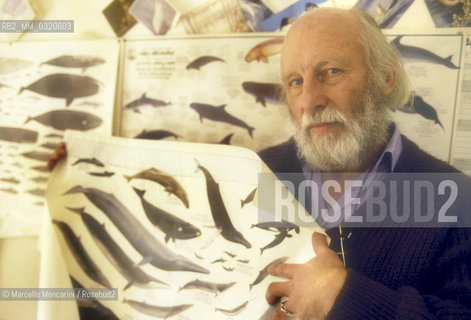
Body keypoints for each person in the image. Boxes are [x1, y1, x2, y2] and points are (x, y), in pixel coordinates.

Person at [258, 7, 471, 320]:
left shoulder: (456, 199)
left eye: (330, 72)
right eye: (295, 81)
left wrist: (343, 298)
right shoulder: (258, 171)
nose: (309, 100)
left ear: (385, 77)